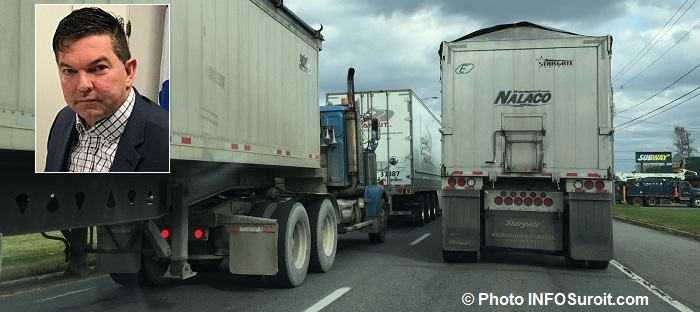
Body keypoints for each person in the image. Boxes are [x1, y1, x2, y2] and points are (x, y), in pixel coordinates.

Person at [44, 7, 168, 172]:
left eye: (98, 68)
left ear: (129, 72)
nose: (83, 85)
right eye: (70, 71)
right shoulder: (63, 121)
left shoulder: (166, 140)